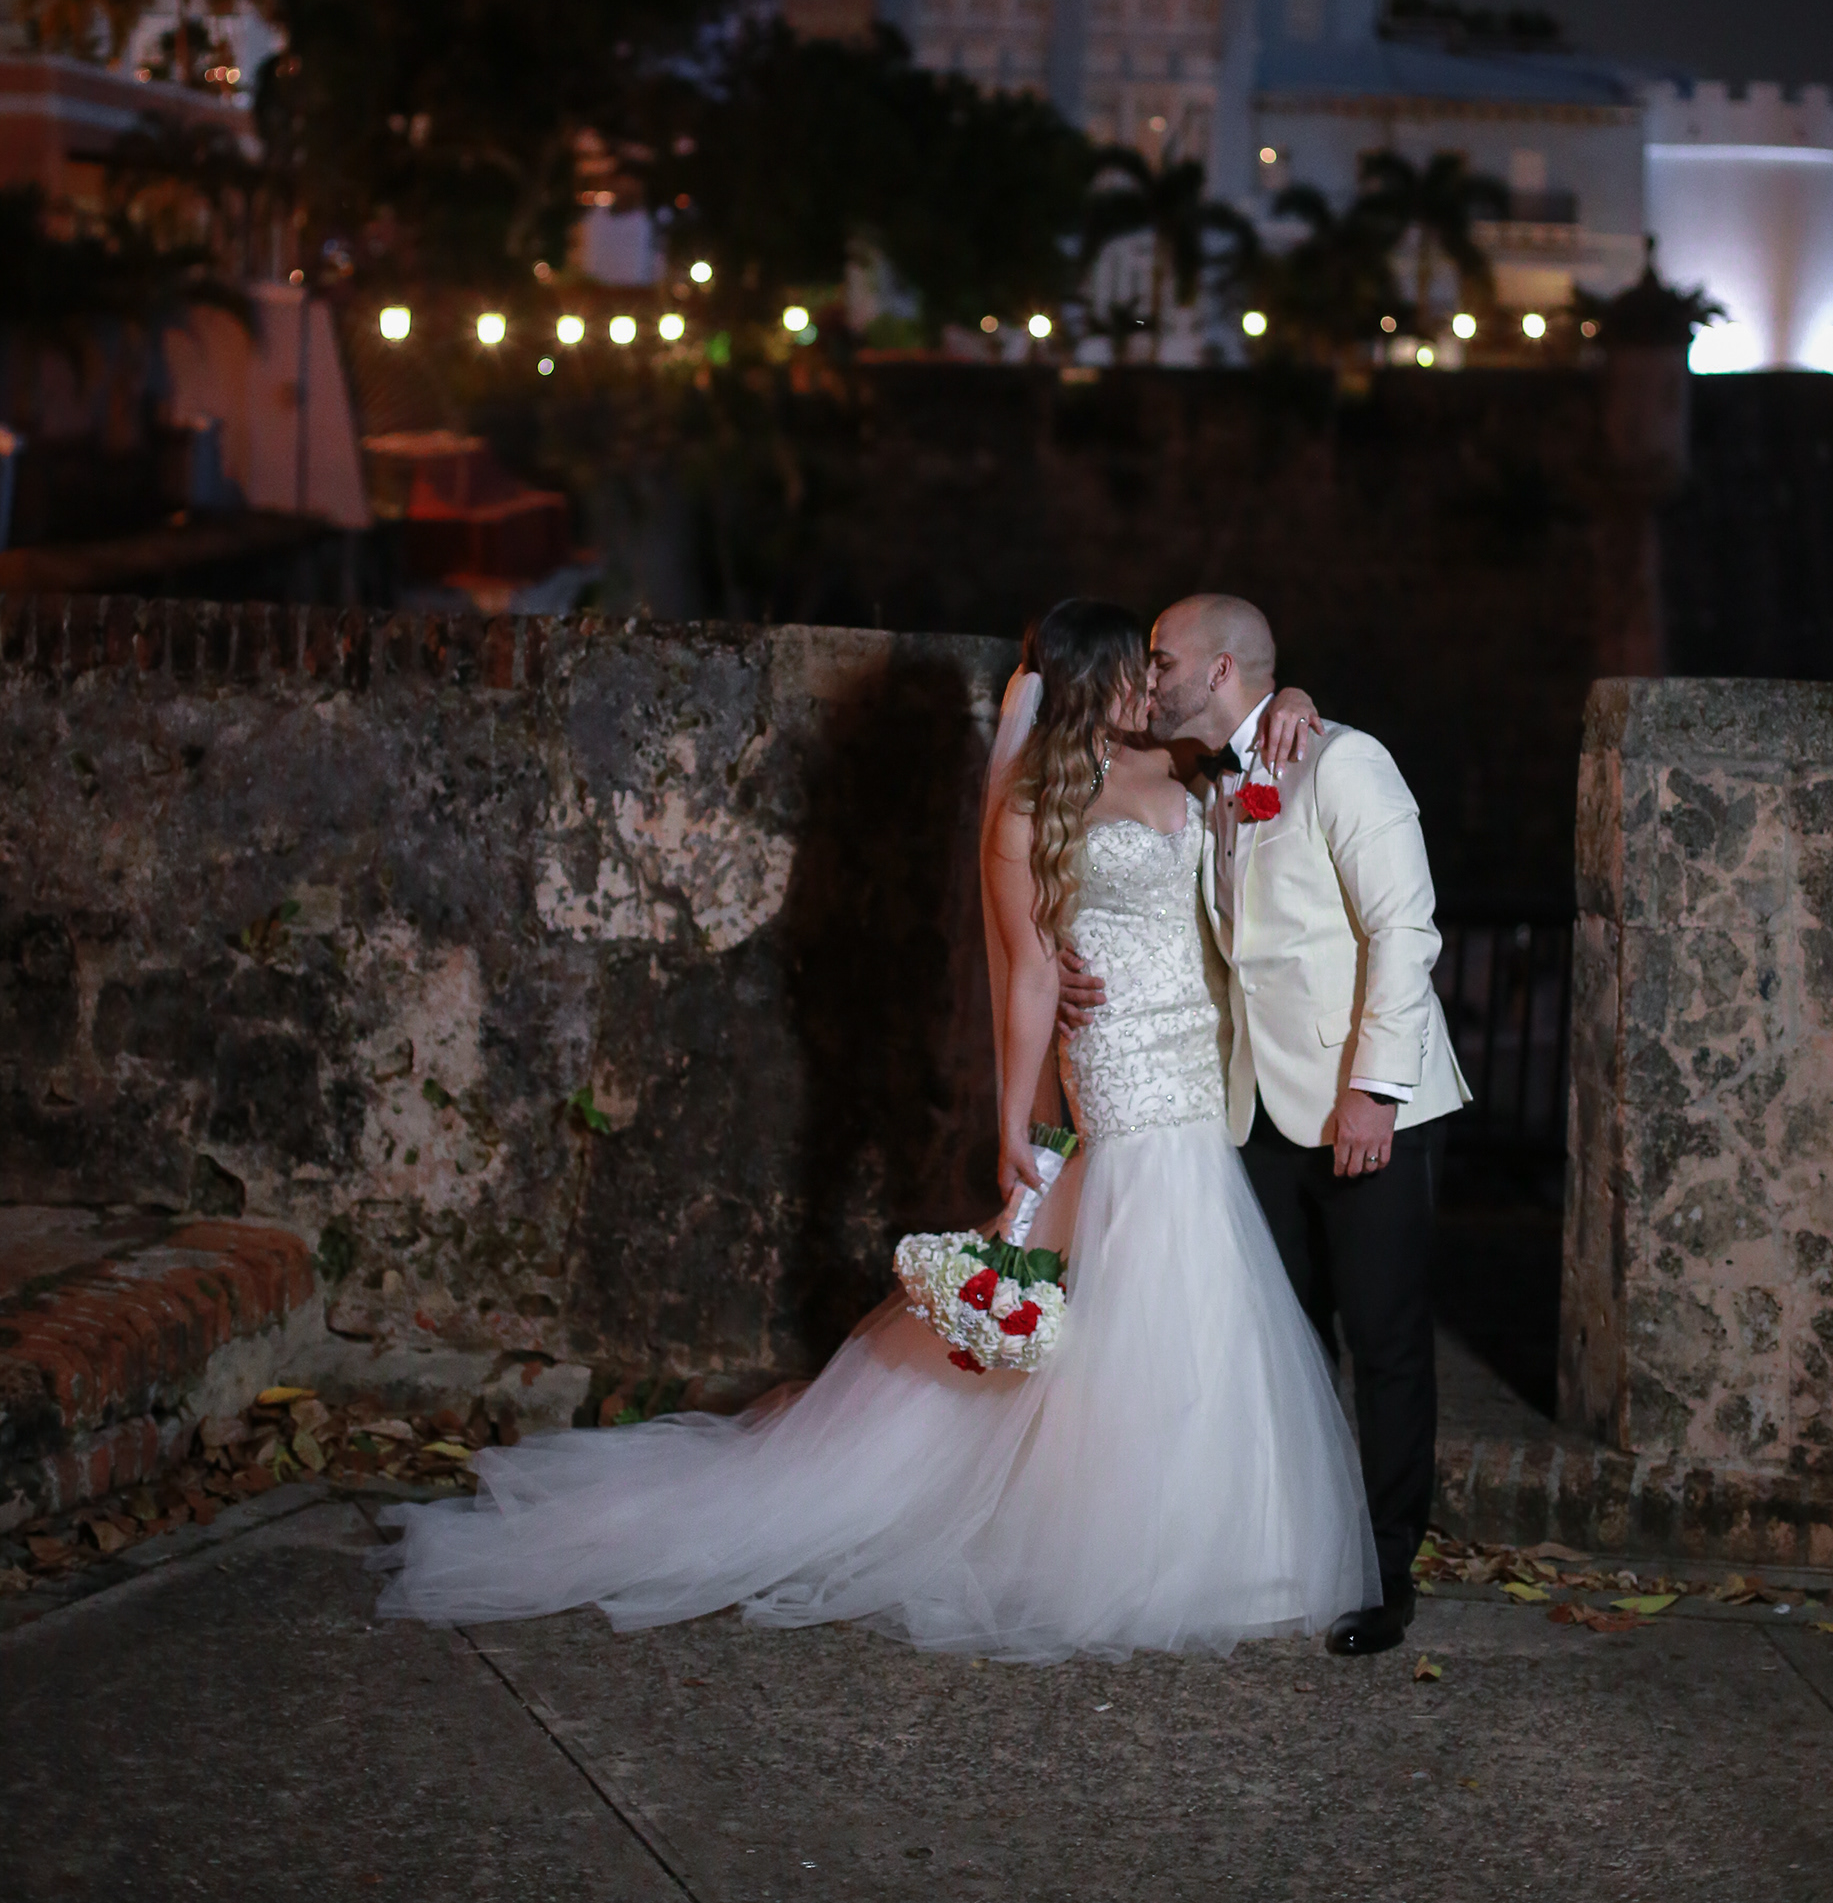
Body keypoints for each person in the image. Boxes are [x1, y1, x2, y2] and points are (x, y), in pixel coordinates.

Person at [374, 598, 1376, 1662]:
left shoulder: (1183, 763)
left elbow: (1257, 747)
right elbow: (1030, 977)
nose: (1156, 684)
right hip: (1120, 1073)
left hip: (1199, 1067)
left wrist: (1297, 695)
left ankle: (1219, 1535)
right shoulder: (1035, 806)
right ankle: (1134, 1544)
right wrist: (1013, 1123)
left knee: (1199, 1292)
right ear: (1095, 681)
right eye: (1139, 669)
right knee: (1142, 1276)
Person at [1059, 593, 1468, 1658]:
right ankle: (1302, 1546)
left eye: (1162, 660)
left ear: (1221, 671)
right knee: (1287, 1340)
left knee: (1385, 1340)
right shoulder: (1217, 780)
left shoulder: (1343, 763)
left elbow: (1405, 929)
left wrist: (1375, 1090)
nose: (1147, 676)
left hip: (1365, 1105)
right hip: (1257, 1110)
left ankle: (1385, 1574)